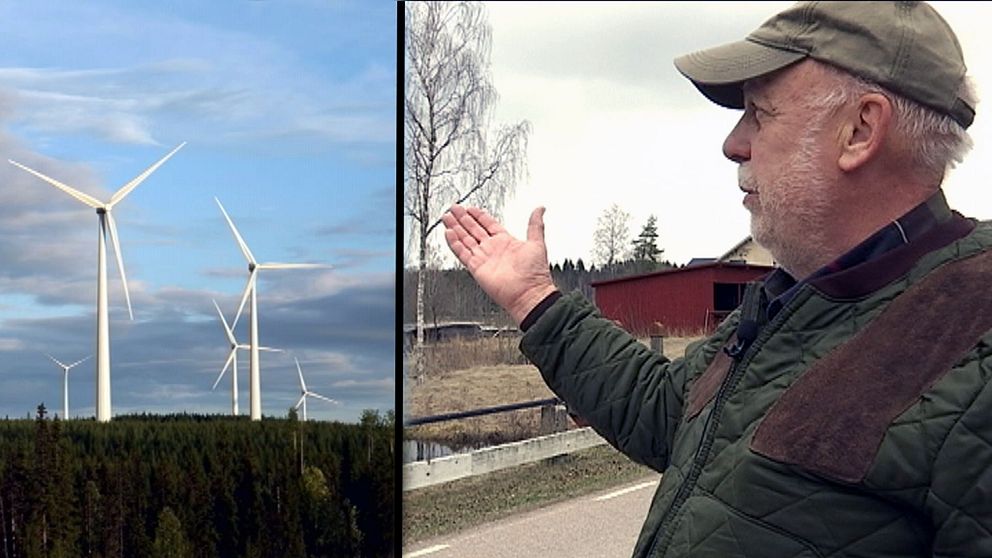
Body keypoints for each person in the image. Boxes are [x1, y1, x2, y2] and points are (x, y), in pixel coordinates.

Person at [441, 2, 992, 557]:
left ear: (860, 130)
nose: (734, 143)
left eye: (761, 112)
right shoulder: (795, 303)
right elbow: (667, 412)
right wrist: (535, 299)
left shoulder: (975, 342)